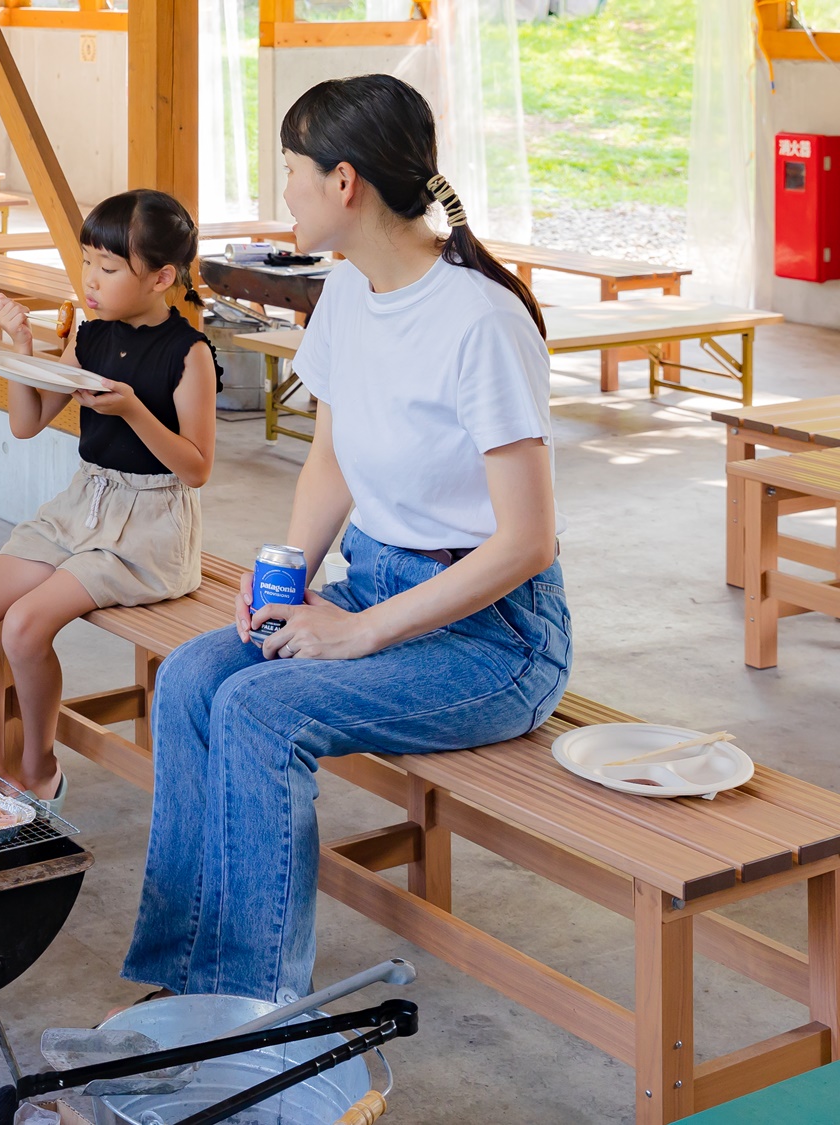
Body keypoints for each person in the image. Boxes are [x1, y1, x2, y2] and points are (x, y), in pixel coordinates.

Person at [124, 74, 573, 1005]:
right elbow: (331, 455)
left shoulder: (480, 321)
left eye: (289, 170)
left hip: (495, 637)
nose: (280, 189)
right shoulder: (348, 295)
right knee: (194, 677)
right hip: (376, 583)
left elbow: (528, 542)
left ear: (344, 183)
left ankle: (253, 1012)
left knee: (261, 709)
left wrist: (360, 631)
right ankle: (187, 991)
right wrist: (282, 580)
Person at [0, 190, 218, 809]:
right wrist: (21, 346)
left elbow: (197, 468)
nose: (90, 279)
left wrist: (133, 410)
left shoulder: (190, 353)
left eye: (109, 267)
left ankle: (40, 769)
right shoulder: (91, 336)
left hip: (150, 526)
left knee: (22, 626)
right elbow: (28, 421)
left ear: (162, 278)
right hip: (83, 506)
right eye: (87, 261)